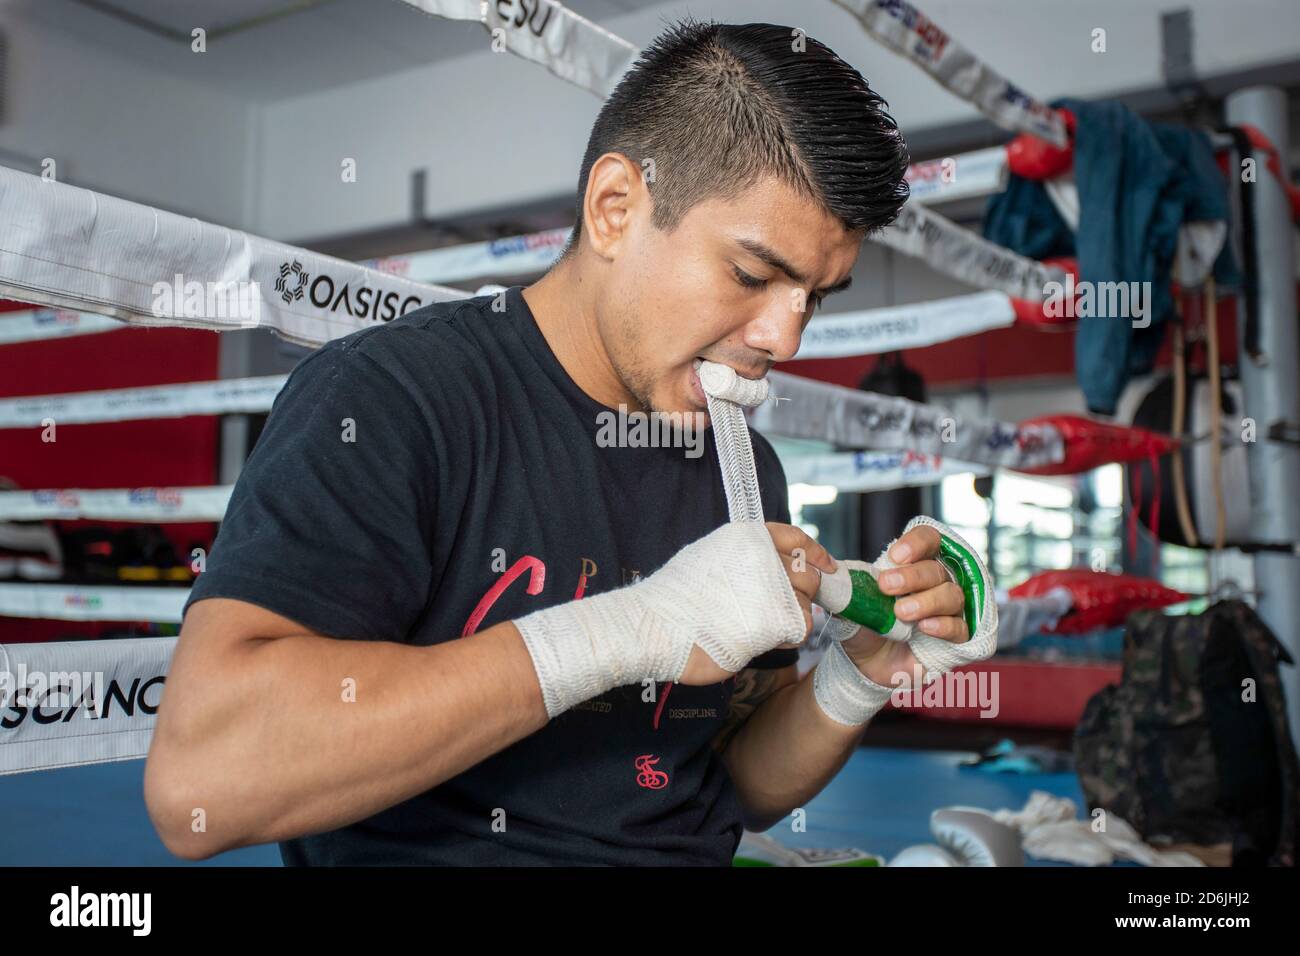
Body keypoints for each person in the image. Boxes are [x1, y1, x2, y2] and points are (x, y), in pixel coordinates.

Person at [145, 18, 974, 866]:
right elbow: (201, 782)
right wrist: (633, 627)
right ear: (616, 209)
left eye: (815, 296)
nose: (784, 339)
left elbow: (728, 782)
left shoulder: (741, 466)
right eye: (752, 276)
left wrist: (861, 672)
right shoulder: (395, 398)